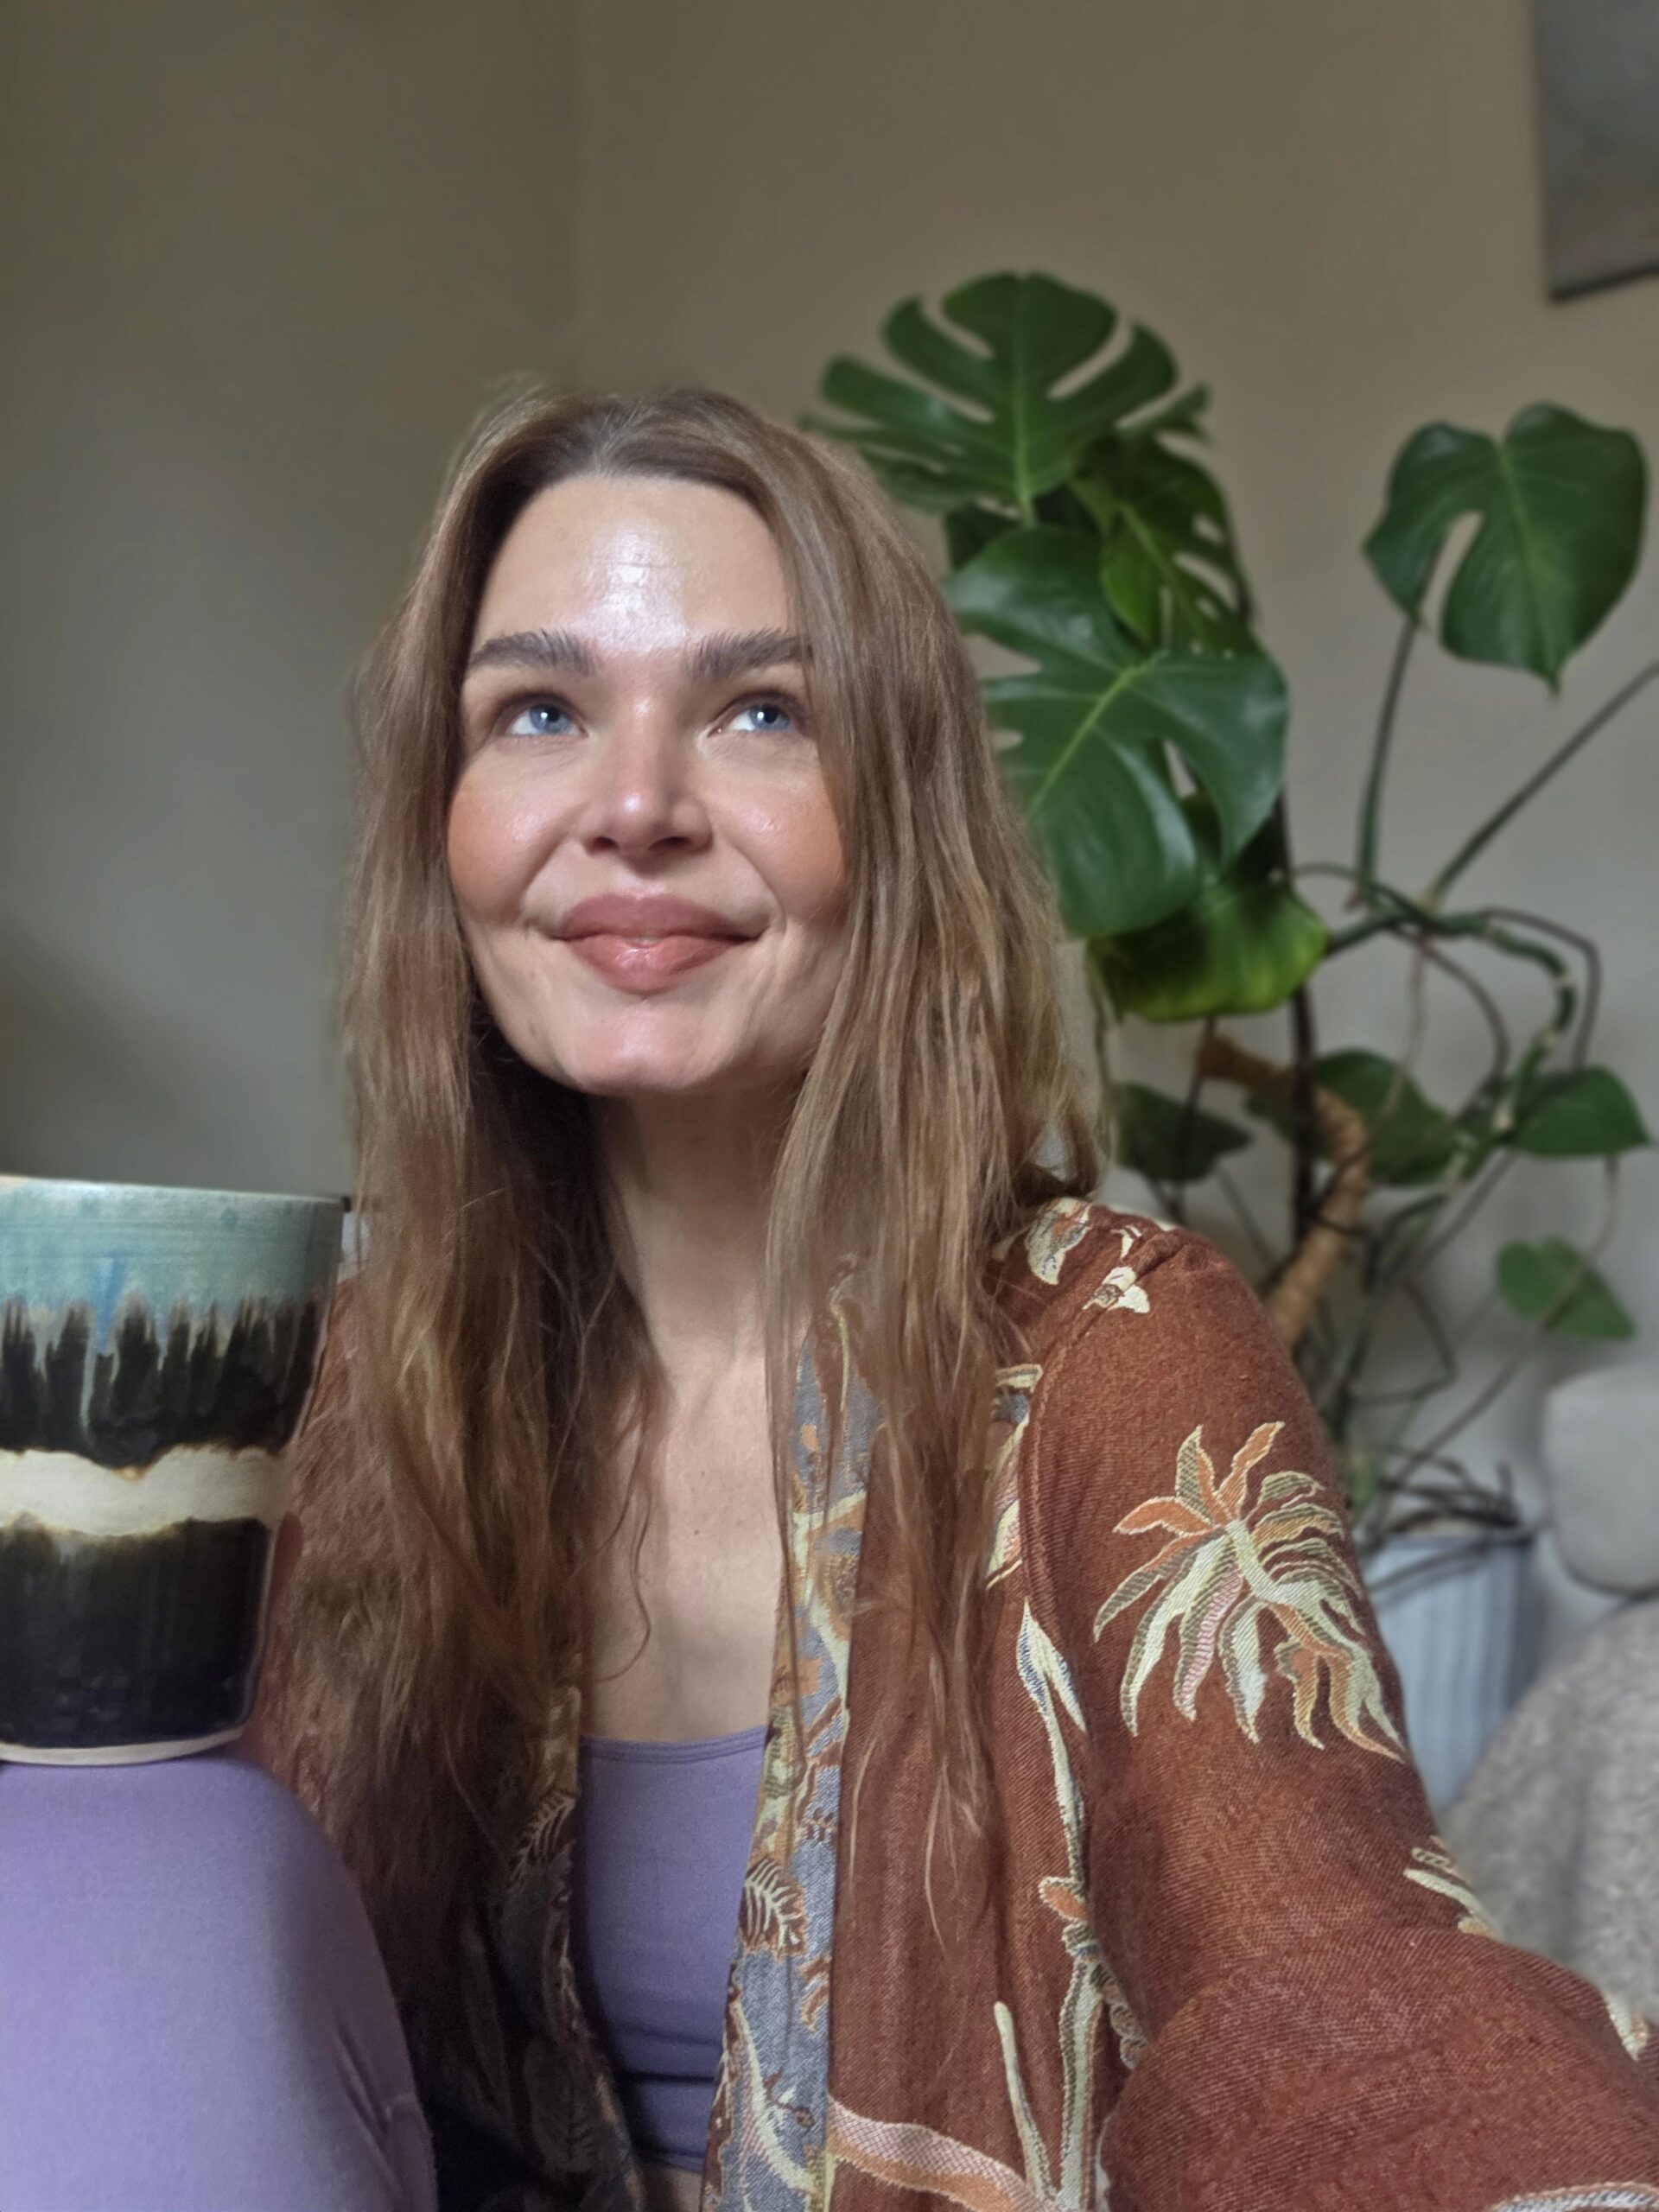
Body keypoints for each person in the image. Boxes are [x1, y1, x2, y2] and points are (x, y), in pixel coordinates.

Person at [5, 386, 1659, 2212]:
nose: (636, 807)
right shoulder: (359, 1380)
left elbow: (1337, 1992)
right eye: (540, 710)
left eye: (762, 712)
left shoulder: (1119, 1354)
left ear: (896, 816)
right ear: (441, 820)